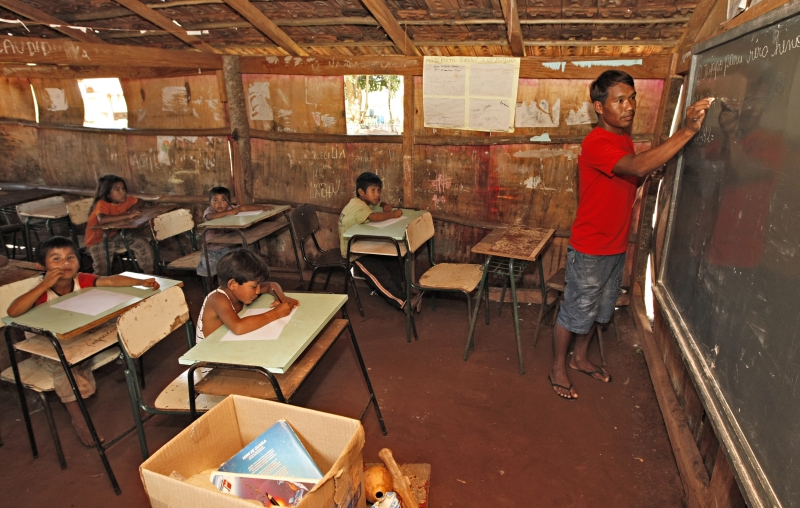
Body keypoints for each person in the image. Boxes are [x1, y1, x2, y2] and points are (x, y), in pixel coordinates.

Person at [549, 70, 713, 400]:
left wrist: (648, 174)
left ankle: (580, 358)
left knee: (599, 309)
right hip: (592, 246)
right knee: (576, 310)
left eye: (632, 98)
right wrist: (688, 130)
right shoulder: (596, 142)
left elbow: (630, 177)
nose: (629, 106)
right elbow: (635, 167)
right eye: (619, 100)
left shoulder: (623, 139)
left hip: (615, 244)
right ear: (599, 107)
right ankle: (557, 367)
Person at [7, 236, 160, 445]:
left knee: (118, 325)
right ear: (41, 266)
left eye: (70, 257)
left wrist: (141, 282)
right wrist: (44, 285)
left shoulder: (81, 280)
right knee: (66, 374)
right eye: (56, 259)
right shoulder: (41, 292)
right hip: (47, 347)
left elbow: (111, 280)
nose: (65, 263)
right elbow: (13, 311)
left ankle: (105, 364)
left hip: (76, 336)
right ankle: (80, 422)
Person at [337, 171, 415, 311]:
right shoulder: (358, 206)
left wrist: (384, 205)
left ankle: (401, 292)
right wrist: (392, 214)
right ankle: (402, 302)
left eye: (379, 190)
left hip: (365, 245)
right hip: (354, 251)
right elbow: (374, 217)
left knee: (392, 260)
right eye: (373, 190)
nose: (377, 194)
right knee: (380, 275)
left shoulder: (361, 201)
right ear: (361, 191)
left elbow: (375, 208)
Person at [196, 248, 299, 342]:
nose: (258, 291)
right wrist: (276, 313)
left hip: (230, 345)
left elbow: (271, 285)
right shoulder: (217, 299)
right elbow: (238, 327)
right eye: (254, 287)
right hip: (208, 356)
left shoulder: (239, 291)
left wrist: (281, 297)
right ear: (232, 284)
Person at [84, 174, 155, 275]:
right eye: (117, 190)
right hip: (97, 240)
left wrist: (133, 208)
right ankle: (98, 286)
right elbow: (102, 219)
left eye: (123, 189)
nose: (123, 192)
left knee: (142, 243)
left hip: (115, 236)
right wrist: (128, 216)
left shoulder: (125, 200)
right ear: (107, 193)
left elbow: (140, 201)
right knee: (102, 269)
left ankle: (150, 274)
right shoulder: (102, 203)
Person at [197, 186, 274, 277]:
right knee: (210, 268)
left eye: (223, 200)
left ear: (229, 202)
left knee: (236, 265)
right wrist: (229, 212)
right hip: (211, 249)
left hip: (229, 247)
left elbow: (244, 208)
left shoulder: (231, 208)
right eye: (215, 201)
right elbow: (210, 217)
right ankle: (211, 284)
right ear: (210, 202)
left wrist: (261, 207)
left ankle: (231, 282)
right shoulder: (209, 211)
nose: (220, 204)